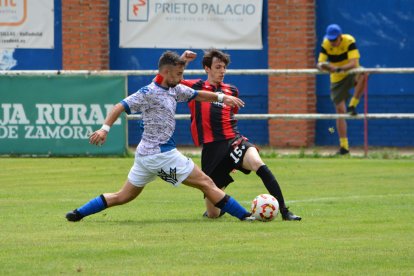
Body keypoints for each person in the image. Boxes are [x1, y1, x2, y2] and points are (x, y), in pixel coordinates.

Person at [65, 51, 255, 222]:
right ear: (166, 73)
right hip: (162, 155)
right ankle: (245, 216)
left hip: (145, 157)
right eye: (179, 74)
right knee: (206, 183)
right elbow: (119, 106)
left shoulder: (175, 88)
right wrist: (104, 129)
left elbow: (198, 94)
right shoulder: (148, 92)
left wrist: (222, 97)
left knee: (123, 196)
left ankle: (78, 213)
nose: (182, 78)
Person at [180, 48, 301, 221]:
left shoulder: (232, 90)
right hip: (212, 149)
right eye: (218, 67)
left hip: (234, 140)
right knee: (213, 214)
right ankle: (217, 207)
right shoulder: (195, 87)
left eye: (224, 67)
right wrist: (183, 61)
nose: (222, 71)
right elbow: (168, 80)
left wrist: (233, 157)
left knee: (258, 163)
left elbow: (230, 115)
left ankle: (284, 211)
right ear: (207, 68)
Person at [316, 24, 368, 155]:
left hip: (351, 73)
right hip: (336, 79)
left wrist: (338, 68)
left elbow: (354, 63)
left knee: (363, 73)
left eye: (335, 40)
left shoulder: (349, 40)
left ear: (340, 36)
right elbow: (320, 64)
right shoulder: (326, 43)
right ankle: (344, 147)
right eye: (331, 40)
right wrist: (328, 67)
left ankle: (353, 105)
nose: (332, 42)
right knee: (340, 112)